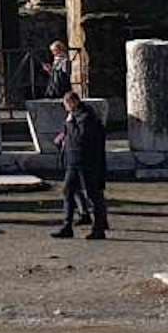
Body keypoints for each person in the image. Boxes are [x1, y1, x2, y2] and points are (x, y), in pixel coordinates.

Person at [52, 92, 108, 240]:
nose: (65, 107)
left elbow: (81, 137)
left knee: (93, 194)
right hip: (73, 161)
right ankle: (67, 226)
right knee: (68, 191)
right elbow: (69, 134)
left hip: (86, 162)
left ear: (73, 102)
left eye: (66, 104)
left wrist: (70, 123)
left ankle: (99, 228)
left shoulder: (87, 116)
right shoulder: (75, 117)